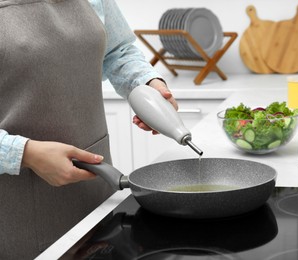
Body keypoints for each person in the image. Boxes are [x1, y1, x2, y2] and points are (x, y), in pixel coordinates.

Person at [0, 0, 177, 258]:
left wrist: (146, 84)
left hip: (95, 190)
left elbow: (118, 50)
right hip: (16, 205)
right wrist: (26, 154)